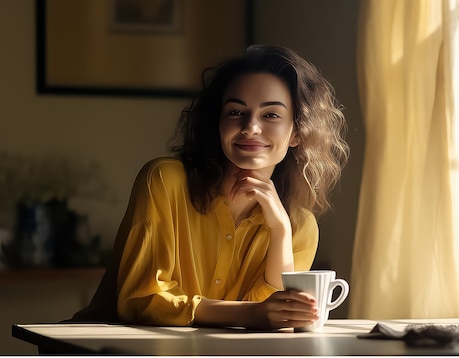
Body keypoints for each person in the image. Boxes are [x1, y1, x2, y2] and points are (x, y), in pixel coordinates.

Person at [69, 45, 350, 330]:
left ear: (298, 132)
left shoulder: (300, 226)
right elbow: (142, 300)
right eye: (236, 111)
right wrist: (251, 314)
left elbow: (277, 317)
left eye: (271, 115)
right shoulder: (164, 181)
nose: (250, 127)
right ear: (218, 123)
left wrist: (279, 232)